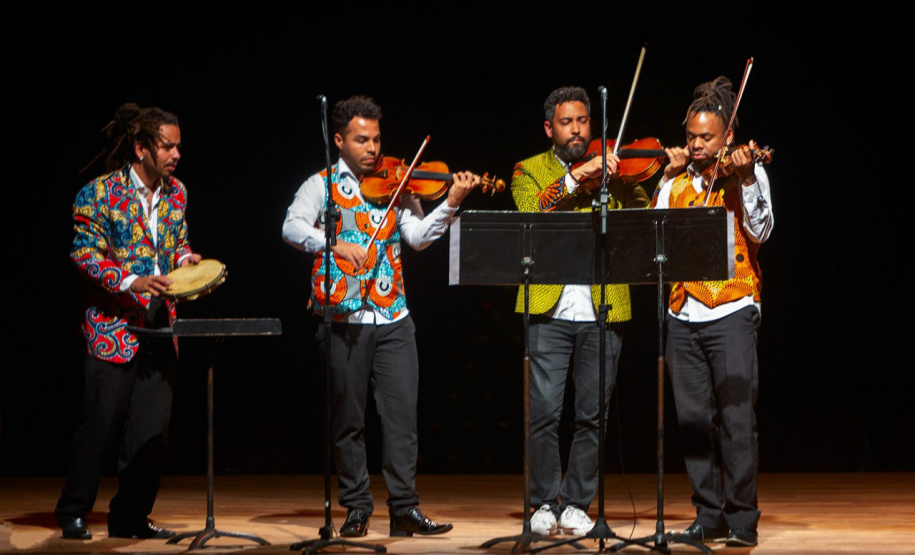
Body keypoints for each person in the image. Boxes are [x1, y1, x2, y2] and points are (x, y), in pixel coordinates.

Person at [282, 95, 481, 538]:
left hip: (394, 317)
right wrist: (329, 243)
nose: (372, 148)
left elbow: (416, 238)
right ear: (339, 140)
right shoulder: (320, 185)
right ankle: (356, 507)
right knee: (348, 420)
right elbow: (291, 227)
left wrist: (448, 204)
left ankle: (404, 508)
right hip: (342, 318)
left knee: (401, 418)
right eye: (361, 139)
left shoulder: (398, 183)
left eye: (376, 139)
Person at [56, 103, 201, 540]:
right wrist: (131, 280)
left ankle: (130, 516)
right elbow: (84, 254)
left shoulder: (177, 193)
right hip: (112, 326)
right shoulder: (98, 194)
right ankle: (74, 510)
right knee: (99, 424)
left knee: (151, 431)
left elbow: (177, 242)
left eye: (178, 146)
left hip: (160, 324)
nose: (176, 154)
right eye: (166, 146)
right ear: (141, 148)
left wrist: (186, 260)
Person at [510, 86, 649, 536]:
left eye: (584, 121)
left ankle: (576, 502)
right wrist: (577, 178)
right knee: (544, 412)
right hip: (548, 309)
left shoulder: (614, 169)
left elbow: (643, 221)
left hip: (604, 307)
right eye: (567, 123)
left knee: (594, 413)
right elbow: (533, 211)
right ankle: (543, 502)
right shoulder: (527, 171)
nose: (577, 130)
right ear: (550, 128)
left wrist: (637, 179)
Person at [653, 76, 773, 548]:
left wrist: (745, 178)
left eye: (707, 138)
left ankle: (742, 518)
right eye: (691, 138)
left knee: (737, 420)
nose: (697, 145)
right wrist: (666, 178)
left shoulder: (748, 174)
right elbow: (653, 239)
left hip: (733, 310)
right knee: (693, 420)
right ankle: (708, 514)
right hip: (683, 314)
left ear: (727, 138)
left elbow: (762, 231)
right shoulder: (676, 183)